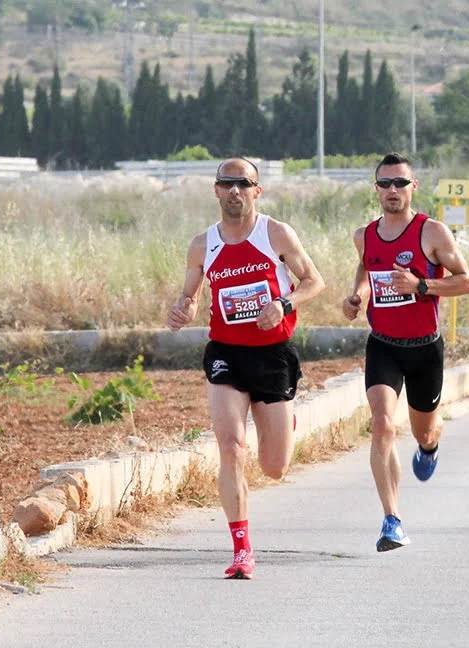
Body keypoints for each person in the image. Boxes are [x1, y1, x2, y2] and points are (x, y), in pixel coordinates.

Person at [166, 157, 326, 579]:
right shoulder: (203, 244)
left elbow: (314, 281)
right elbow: (191, 293)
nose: (235, 190)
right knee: (231, 446)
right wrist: (183, 309)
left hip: (272, 354)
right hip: (226, 353)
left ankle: (283, 422)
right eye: (227, 183)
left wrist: (283, 303)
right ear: (216, 191)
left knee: (275, 467)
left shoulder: (275, 233)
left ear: (258, 190)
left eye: (244, 183)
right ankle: (241, 549)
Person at [342, 153, 469, 551]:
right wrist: (357, 297)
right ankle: (392, 519)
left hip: (424, 349)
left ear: (414, 187)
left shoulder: (431, 232)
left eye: (400, 183)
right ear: (376, 190)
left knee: (423, 430)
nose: (392, 191)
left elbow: (466, 282)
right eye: (385, 184)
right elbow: (367, 270)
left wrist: (421, 287)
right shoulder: (364, 235)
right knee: (382, 424)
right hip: (383, 345)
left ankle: (431, 445)